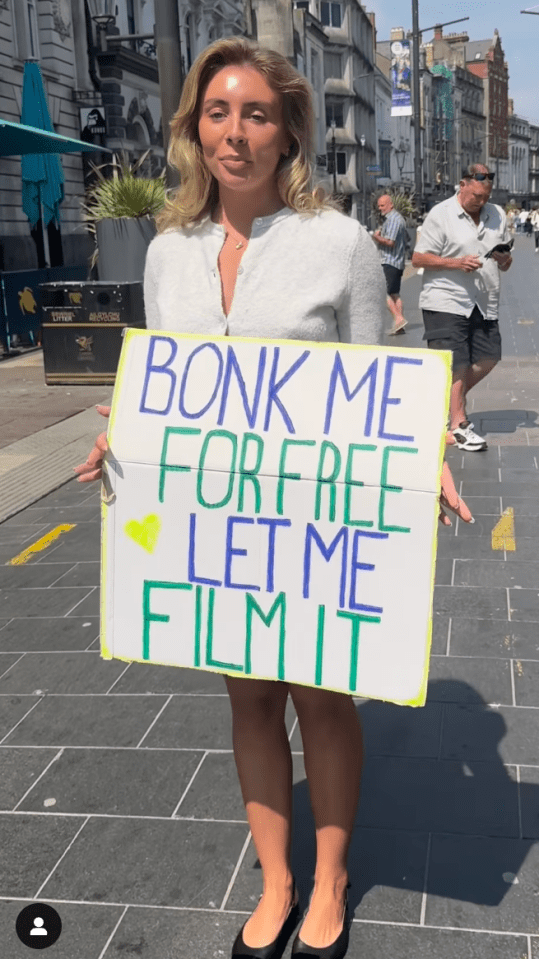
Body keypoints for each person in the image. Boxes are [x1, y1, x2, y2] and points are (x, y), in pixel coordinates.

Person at [74, 37, 472, 959]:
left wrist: (426, 456)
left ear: (288, 130)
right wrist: (120, 433)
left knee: (322, 699)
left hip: (314, 521)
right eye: (218, 112)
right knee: (248, 700)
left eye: (256, 113)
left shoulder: (336, 244)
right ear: (193, 127)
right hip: (213, 524)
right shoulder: (168, 252)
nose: (235, 132)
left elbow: (378, 379)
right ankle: (278, 878)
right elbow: (168, 385)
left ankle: (328, 879)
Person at [411, 163, 512, 452]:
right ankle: (458, 425)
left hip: (484, 300)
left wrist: (505, 260)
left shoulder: (498, 215)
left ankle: (443, 403)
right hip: (446, 298)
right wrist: (456, 262)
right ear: (463, 185)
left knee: (489, 356)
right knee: (457, 362)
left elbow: (506, 260)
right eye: (476, 196)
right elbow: (418, 258)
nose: (481, 202)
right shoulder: (440, 214)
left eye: (485, 196)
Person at [371, 194, 408, 335]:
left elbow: (390, 242)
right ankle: (400, 326)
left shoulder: (393, 220)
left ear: (391, 204)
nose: (380, 208)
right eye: (379, 205)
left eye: (383, 205)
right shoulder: (394, 219)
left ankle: (399, 319)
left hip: (389, 261)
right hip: (396, 262)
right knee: (394, 294)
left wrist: (377, 237)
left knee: (383, 293)